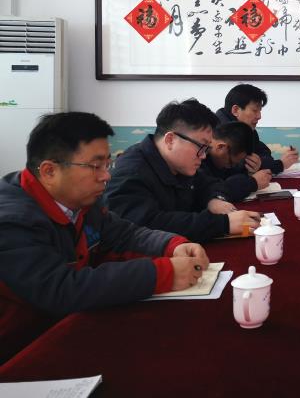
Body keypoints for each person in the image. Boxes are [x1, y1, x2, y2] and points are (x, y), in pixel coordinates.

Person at [0, 112, 210, 363]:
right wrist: (163, 274)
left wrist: (173, 245)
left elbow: (125, 233)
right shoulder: (12, 221)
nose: (106, 176)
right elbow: (62, 289)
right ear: (49, 171)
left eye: (107, 164)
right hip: (20, 353)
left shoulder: (81, 202)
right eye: (95, 166)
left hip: (69, 330)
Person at [106, 99, 260, 242]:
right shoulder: (131, 173)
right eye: (201, 147)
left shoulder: (179, 163)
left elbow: (209, 184)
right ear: (170, 140)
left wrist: (215, 199)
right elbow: (148, 225)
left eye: (206, 149)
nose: (204, 156)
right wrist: (223, 224)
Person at [216, 84, 299, 175]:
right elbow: (235, 170)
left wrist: (260, 163)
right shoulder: (218, 133)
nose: (259, 116)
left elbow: (264, 152)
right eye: (255, 110)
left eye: (260, 111)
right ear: (236, 110)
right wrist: (279, 164)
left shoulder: (245, 129)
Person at [201, 121, 273, 202]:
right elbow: (211, 192)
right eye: (230, 163)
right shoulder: (198, 158)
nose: (228, 167)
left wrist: (251, 170)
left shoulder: (221, 157)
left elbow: (231, 175)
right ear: (220, 147)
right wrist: (252, 183)